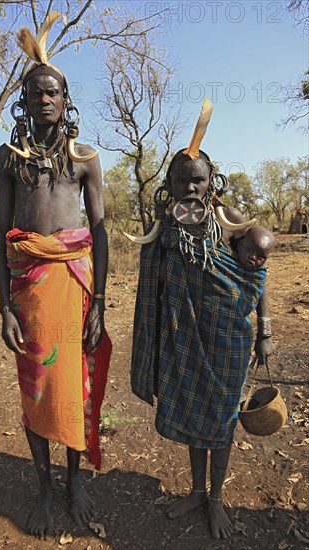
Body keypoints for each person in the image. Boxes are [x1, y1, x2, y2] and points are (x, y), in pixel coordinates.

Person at [129, 100, 275, 540]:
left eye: (199, 180)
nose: (190, 188)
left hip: (228, 338)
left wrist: (265, 331)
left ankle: (215, 500)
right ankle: (196, 491)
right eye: (182, 180)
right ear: (169, 184)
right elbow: (153, 287)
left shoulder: (229, 220)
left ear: (211, 182)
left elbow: (259, 274)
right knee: (196, 412)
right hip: (184, 338)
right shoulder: (165, 227)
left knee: (223, 418)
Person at [0, 13, 111, 539]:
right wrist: (3, 305)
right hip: (29, 287)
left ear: (66, 101)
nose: (45, 99)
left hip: (75, 284)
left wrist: (102, 302)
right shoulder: (7, 158)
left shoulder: (84, 157)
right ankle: (43, 487)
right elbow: (0, 233)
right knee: (37, 387)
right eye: (36, 92)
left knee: (75, 387)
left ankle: (73, 481)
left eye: (54, 92)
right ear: (25, 100)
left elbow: (101, 232)